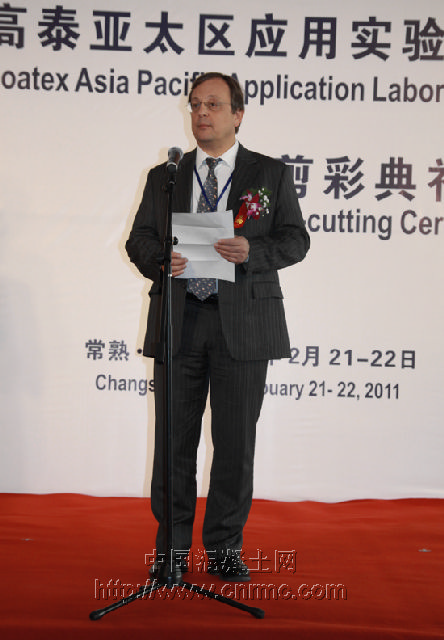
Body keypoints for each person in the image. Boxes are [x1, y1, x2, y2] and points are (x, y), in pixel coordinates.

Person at [126, 72, 310, 582]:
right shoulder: (167, 176)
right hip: (179, 321)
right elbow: (139, 240)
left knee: (234, 445)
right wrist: (161, 260)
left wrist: (253, 250)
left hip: (244, 325)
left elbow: (296, 240)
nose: (201, 113)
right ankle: (172, 552)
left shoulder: (269, 173)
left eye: (213, 104)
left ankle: (225, 547)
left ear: (238, 114)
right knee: (173, 445)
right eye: (195, 105)